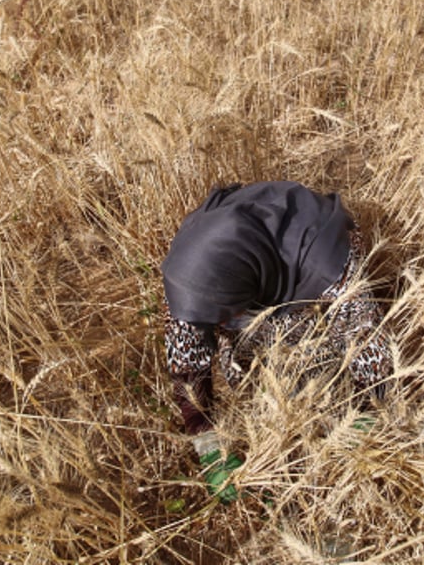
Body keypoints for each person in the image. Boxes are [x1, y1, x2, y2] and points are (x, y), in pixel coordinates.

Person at [161, 181, 392, 500]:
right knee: (244, 353)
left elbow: (368, 343)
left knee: (308, 361)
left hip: (311, 240)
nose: (221, 326)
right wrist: (207, 443)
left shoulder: (328, 266)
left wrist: (366, 415)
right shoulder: (187, 277)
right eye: (215, 317)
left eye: (224, 314)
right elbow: (187, 360)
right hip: (249, 261)